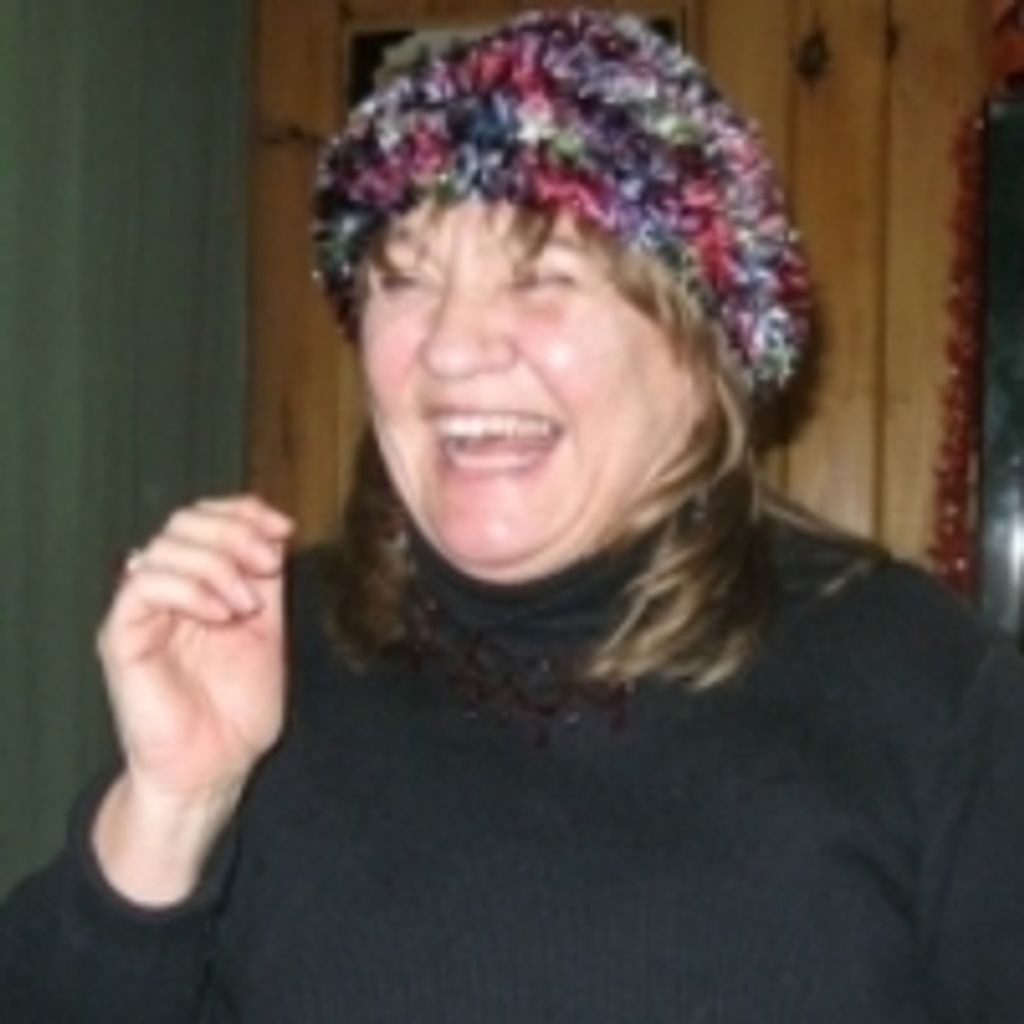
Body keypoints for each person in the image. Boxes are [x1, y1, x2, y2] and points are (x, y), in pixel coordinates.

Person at [3, 9, 1024, 1022]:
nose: (450, 349)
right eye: (406, 280)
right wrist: (169, 812)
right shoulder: (265, 657)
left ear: (702, 351)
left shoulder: (924, 694)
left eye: (541, 278)